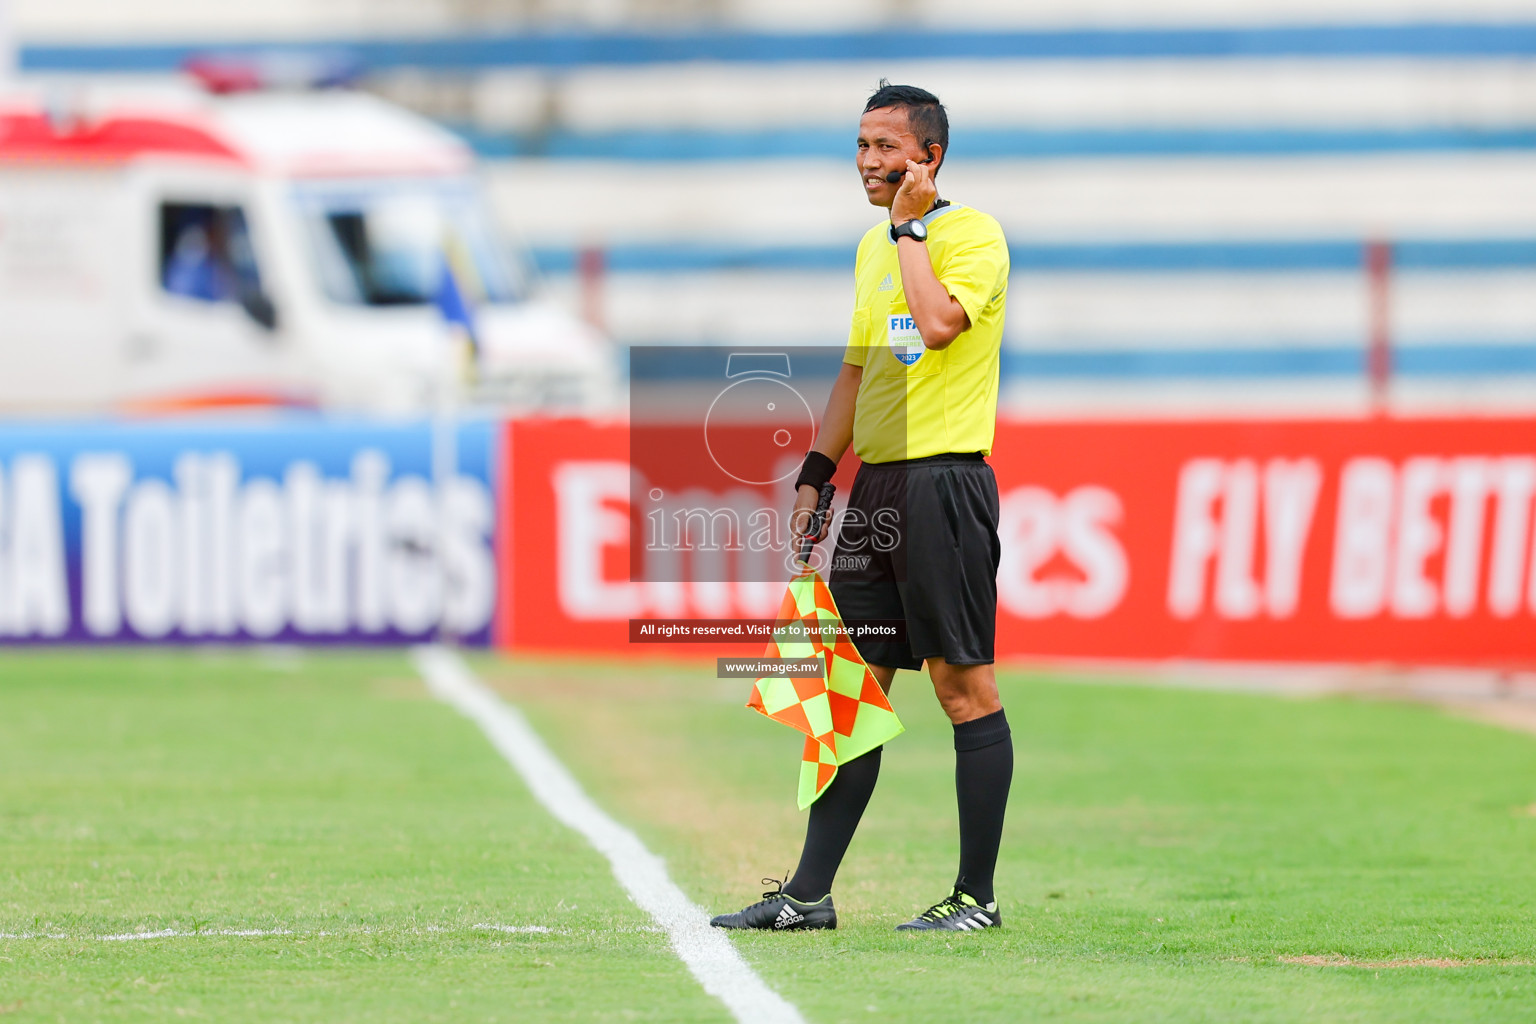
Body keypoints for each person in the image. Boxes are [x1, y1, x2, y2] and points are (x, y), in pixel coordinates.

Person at [711, 81, 1013, 933]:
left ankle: (976, 899)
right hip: (878, 487)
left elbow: (940, 325)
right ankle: (808, 895)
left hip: (943, 481)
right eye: (862, 145)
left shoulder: (972, 235)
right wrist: (817, 468)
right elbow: (856, 370)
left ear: (931, 158)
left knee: (964, 688)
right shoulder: (870, 247)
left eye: (888, 147)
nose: (870, 162)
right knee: (848, 692)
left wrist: (912, 229)